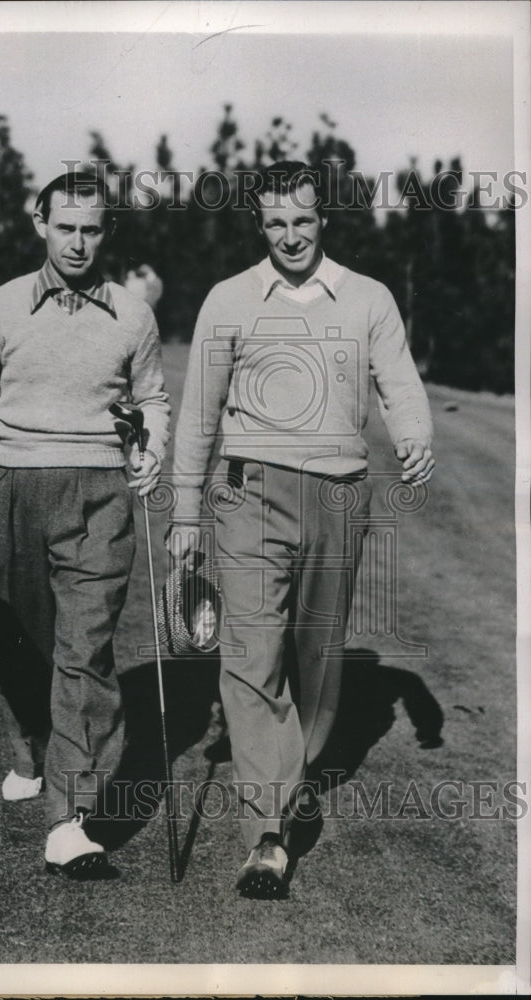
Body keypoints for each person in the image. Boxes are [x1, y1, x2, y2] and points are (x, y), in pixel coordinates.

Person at [167, 161, 434, 899]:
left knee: (316, 661)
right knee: (250, 653)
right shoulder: (228, 301)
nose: (290, 235)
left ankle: (290, 779)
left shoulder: (368, 299)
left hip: (339, 496)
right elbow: (197, 412)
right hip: (247, 491)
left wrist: (412, 434)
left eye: (303, 221)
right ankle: (268, 831)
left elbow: (398, 383)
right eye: (276, 222)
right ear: (259, 222)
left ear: (324, 219)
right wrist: (184, 511)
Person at [0, 170, 170, 880]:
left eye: (92, 229)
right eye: (66, 227)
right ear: (41, 224)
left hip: (98, 496)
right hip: (11, 491)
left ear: (108, 233)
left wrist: (150, 450)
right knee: (19, 640)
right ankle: (29, 742)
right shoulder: (2, 306)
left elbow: (151, 398)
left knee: (83, 651)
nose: (79, 242)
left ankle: (70, 818)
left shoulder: (132, 315)